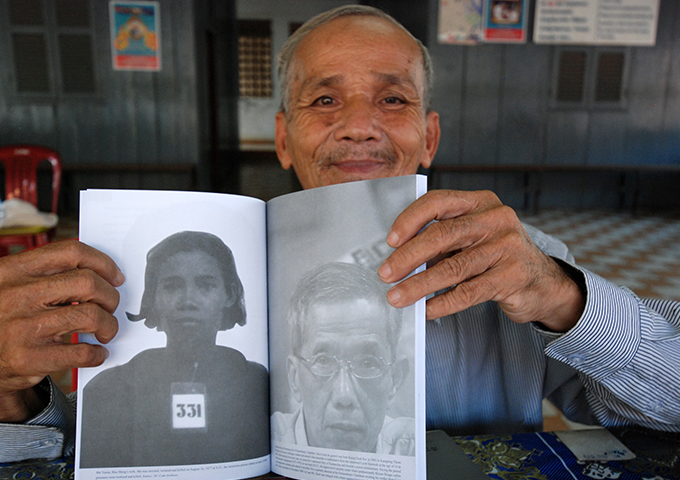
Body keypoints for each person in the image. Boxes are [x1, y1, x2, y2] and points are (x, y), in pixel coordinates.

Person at [1, 4, 679, 462]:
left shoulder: (516, 263)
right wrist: (12, 392)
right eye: (324, 99)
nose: (359, 124)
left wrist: (564, 297)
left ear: (429, 136)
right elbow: (71, 458)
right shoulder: (212, 270)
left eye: (393, 98)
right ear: (285, 139)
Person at [79, 231, 269, 467]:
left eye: (205, 285)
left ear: (228, 294)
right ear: (154, 297)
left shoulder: (256, 382)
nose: (188, 300)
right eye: (172, 287)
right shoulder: (108, 389)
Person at [271, 262, 414, 455]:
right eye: (323, 361)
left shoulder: (413, 448)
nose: (344, 396)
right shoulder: (264, 441)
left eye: (368, 363)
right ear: (294, 378)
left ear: (395, 380)